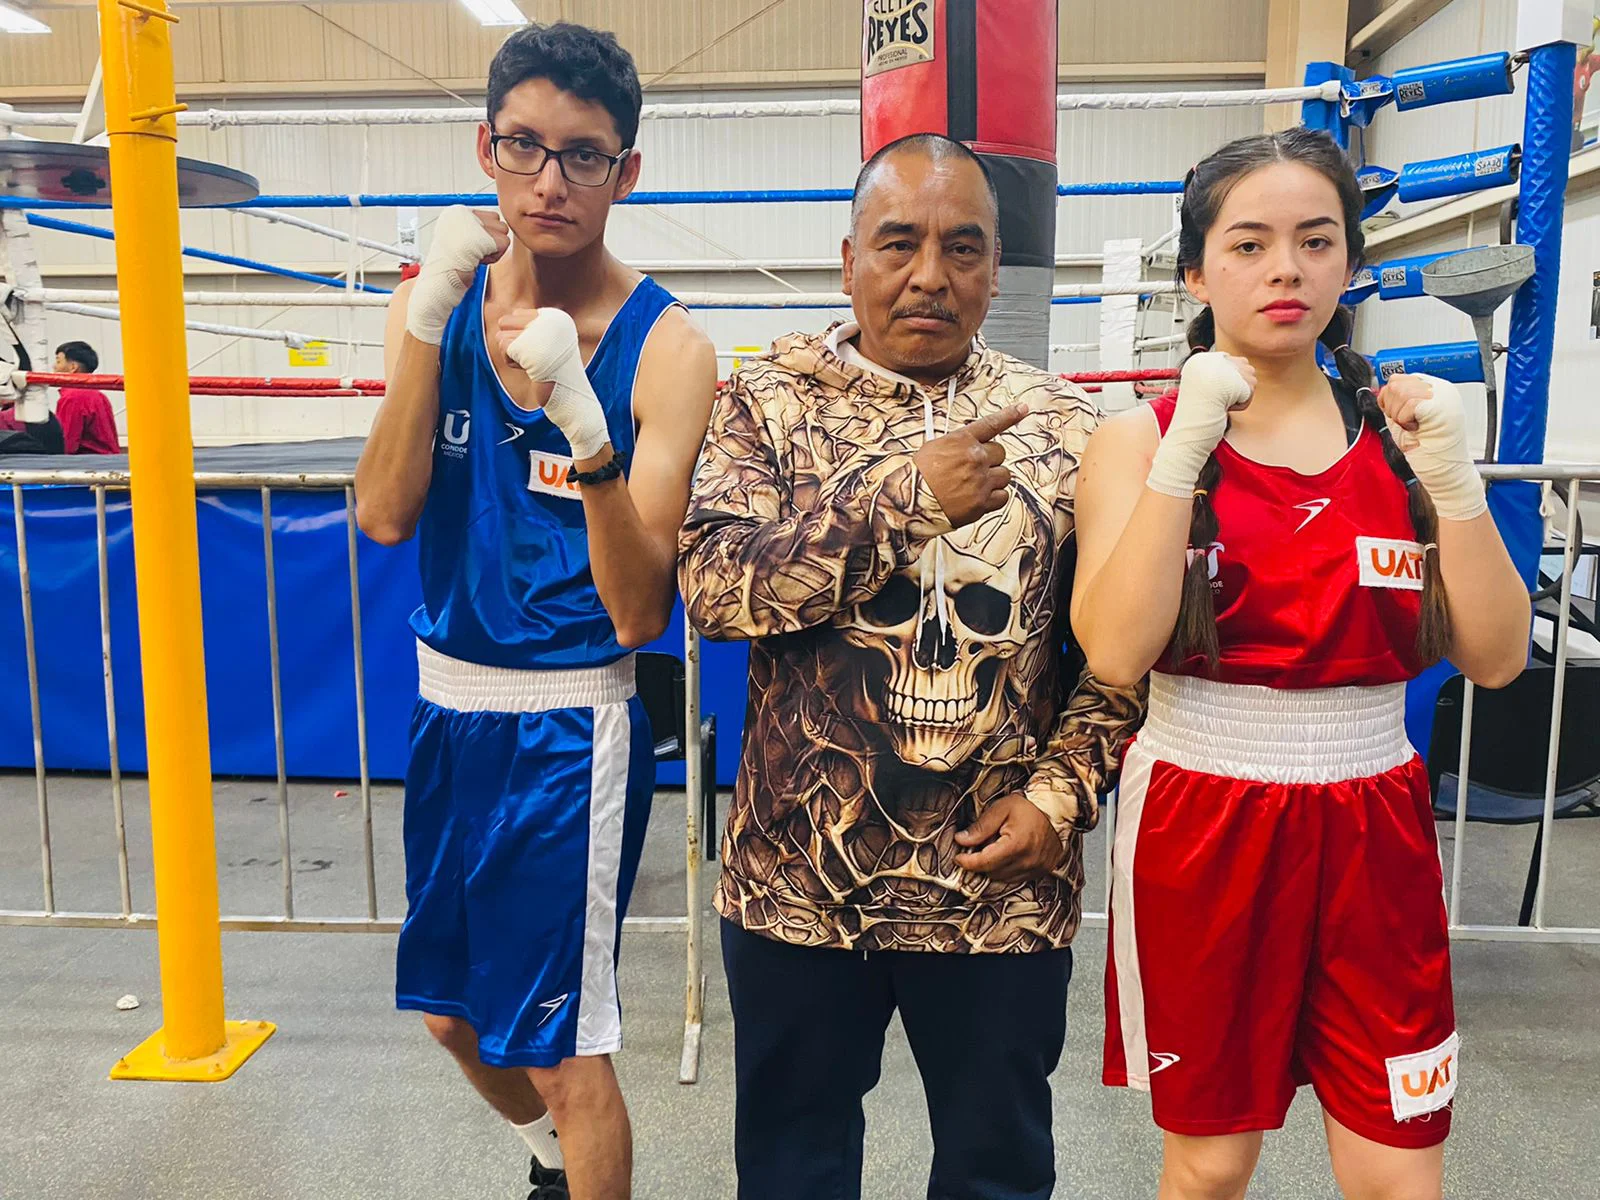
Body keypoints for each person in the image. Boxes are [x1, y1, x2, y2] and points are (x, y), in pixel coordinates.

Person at [678, 132, 1144, 1200]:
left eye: (961, 248)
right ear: (850, 260)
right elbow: (715, 591)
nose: (929, 275)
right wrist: (906, 503)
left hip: (1000, 894)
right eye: (898, 244)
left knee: (998, 1176)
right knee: (792, 1176)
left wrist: (1060, 797)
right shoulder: (769, 404)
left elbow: (1121, 661)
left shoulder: (1068, 429)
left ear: (996, 269)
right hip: (799, 886)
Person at [1071, 128, 1532, 1200]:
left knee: (1399, 1174)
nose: (1286, 269)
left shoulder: (1404, 435)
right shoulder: (1138, 438)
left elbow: (1500, 658)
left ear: (1349, 264)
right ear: (1196, 273)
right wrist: (1182, 458)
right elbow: (1114, 652)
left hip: (1376, 823)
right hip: (1205, 816)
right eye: (1249, 244)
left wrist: (1454, 483)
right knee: (1211, 1166)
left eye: (1315, 241)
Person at [354, 22, 716, 1200]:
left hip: (571, 725)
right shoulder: (437, 306)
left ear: (626, 171)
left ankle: (575, 1154)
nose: (550, 181)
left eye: (583, 155)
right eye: (524, 147)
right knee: (450, 1017)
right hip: (446, 710)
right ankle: (556, 1169)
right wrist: (426, 322)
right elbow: (384, 514)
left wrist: (584, 426)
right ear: (487, 149)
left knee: (564, 1052)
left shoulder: (669, 349)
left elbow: (638, 611)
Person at [52, 341, 121, 455]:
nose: (54, 367)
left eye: (58, 361)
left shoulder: (72, 398)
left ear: (73, 367)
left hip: (87, 461)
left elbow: (66, 445)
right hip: (108, 460)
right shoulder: (99, 395)